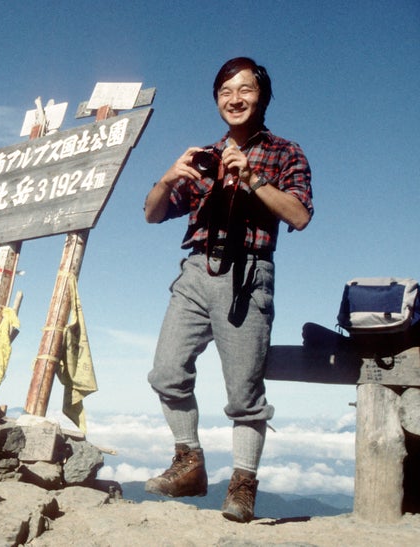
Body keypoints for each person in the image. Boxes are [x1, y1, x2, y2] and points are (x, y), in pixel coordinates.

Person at [143, 57, 313, 523]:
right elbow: (153, 213)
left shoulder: (284, 152)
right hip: (197, 269)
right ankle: (189, 463)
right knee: (166, 371)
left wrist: (253, 178)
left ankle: (242, 485)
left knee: (244, 393)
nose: (234, 99)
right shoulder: (206, 156)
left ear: (262, 97)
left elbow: (298, 215)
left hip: (248, 273)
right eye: (224, 92)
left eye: (245, 90)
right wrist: (169, 176)